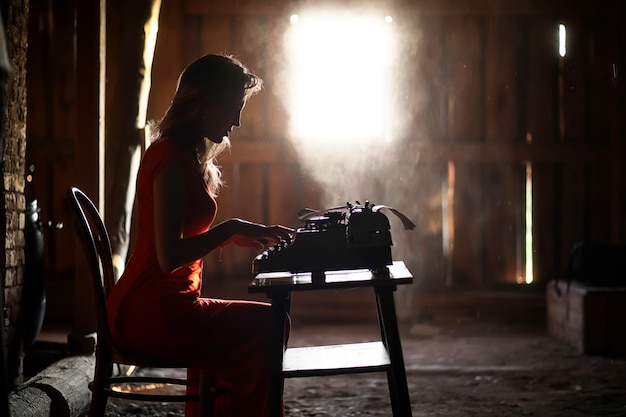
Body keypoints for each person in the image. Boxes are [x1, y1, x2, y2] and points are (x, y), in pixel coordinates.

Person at [106, 54, 294, 417]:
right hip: (150, 313)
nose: (237, 121)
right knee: (272, 324)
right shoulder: (172, 160)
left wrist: (233, 233)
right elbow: (170, 256)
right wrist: (231, 229)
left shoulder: (181, 154)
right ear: (204, 103)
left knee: (254, 326)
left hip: (160, 307)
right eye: (233, 108)